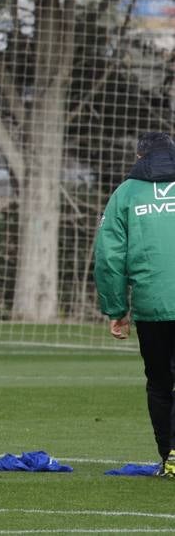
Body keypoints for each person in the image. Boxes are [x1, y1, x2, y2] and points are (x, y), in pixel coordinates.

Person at [94, 130, 175, 477]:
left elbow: (109, 257)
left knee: (159, 382)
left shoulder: (125, 194)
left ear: (140, 157)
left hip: (151, 305)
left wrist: (116, 309)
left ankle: (169, 455)